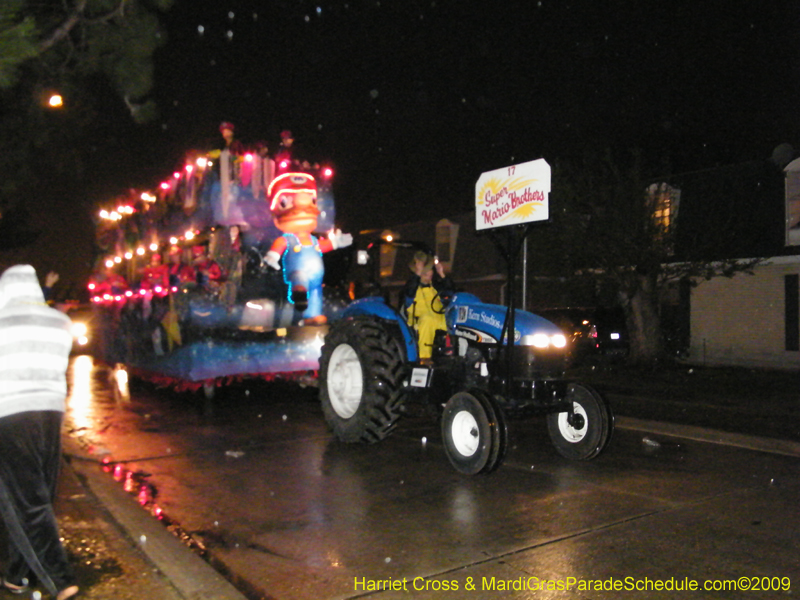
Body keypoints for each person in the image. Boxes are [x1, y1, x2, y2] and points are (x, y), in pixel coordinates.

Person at [0, 265, 79, 600]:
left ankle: (61, 580)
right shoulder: (60, 322)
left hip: (9, 415)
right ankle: (16, 575)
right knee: (37, 496)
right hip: (50, 413)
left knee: (26, 503)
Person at [402, 250, 453, 360]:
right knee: (427, 320)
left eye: (430, 274)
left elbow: (450, 292)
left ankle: (454, 352)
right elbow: (410, 290)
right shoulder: (412, 288)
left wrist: (442, 274)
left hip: (439, 318)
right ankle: (424, 358)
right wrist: (417, 273)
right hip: (419, 321)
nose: (429, 277)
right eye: (425, 274)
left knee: (453, 321)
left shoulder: (434, 287)